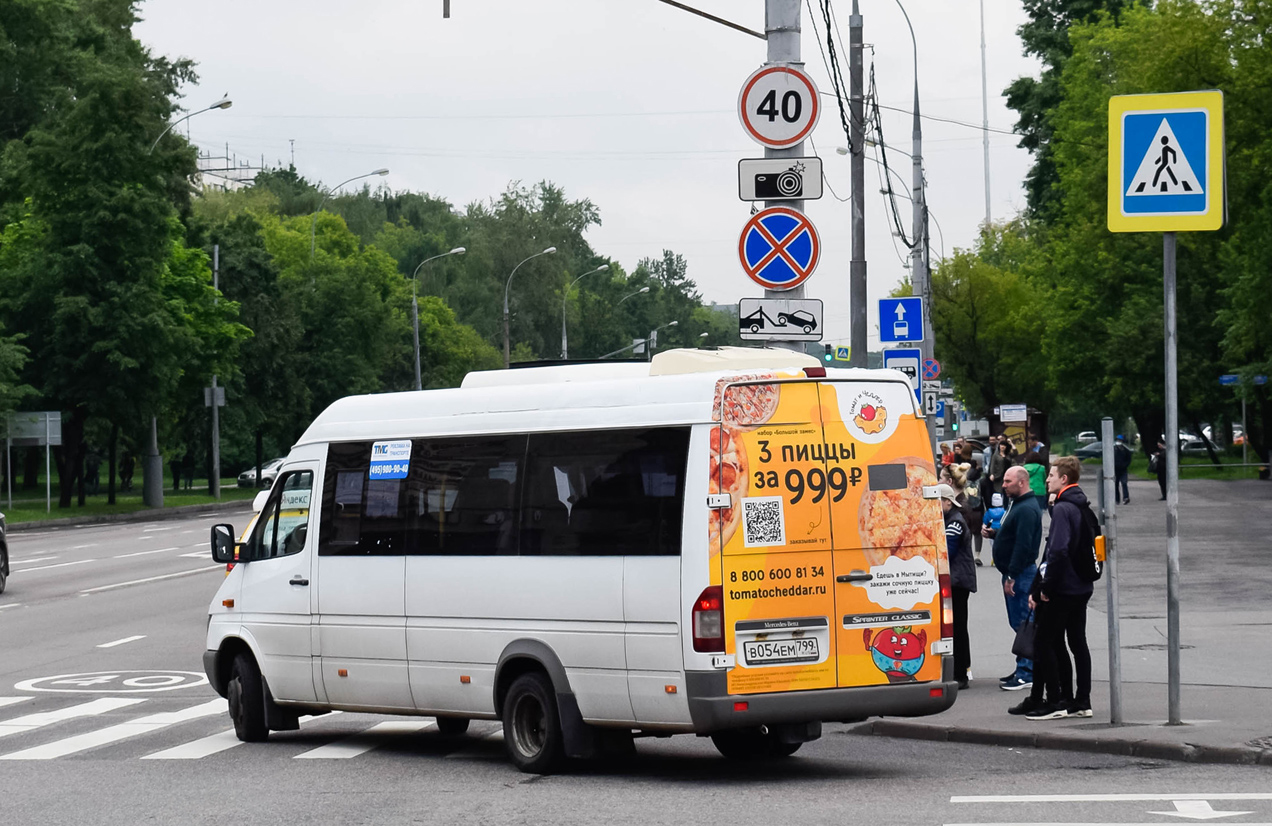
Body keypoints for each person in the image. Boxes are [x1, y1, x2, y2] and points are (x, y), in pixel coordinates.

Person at [1012, 456, 1095, 720]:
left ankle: (1056, 700)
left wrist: (1043, 588)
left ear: (1064, 479)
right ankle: (1080, 700)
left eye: (1051, 475)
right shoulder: (1081, 505)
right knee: (1076, 642)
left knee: (1045, 641)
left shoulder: (1063, 508)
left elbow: (1057, 550)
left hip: (1062, 587)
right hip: (1082, 584)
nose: (1046, 479)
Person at [984, 465, 1043, 692]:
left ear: (1021, 482)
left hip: (1020, 573)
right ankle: (1023, 666)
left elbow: (1024, 544)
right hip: (1014, 572)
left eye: (1008, 481)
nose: (1004, 485)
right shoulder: (1016, 504)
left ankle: (1027, 672)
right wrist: (996, 534)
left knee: (1023, 623)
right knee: (1018, 622)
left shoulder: (1026, 509)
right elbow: (1014, 534)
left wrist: (1011, 575)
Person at [937, 483, 977, 690]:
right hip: (959, 579)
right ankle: (963, 669)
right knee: (958, 626)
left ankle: (960, 673)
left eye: (937, 502)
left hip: (958, 581)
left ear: (946, 502)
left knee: (958, 627)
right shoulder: (951, 520)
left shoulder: (954, 523)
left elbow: (947, 552)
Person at [1113, 435, 1133, 504]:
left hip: (1123, 469)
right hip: (1115, 469)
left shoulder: (1126, 450)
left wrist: (1125, 465)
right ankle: (1117, 499)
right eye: (1118, 440)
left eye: (1120, 440)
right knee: (1115, 484)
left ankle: (1126, 498)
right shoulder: (1113, 449)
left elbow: (1129, 459)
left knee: (1124, 483)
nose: (1119, 442)